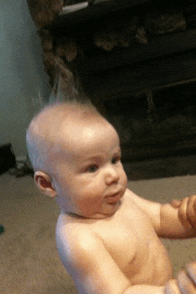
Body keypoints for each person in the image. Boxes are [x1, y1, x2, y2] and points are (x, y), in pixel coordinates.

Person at [26, 97, 196, 294]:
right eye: (92, 168)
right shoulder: (77, 238)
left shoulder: (123, 198)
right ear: (48, 184)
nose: (113, 175)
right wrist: (173, 292)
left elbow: (160, 218)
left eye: (114, 159)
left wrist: (189, 217)